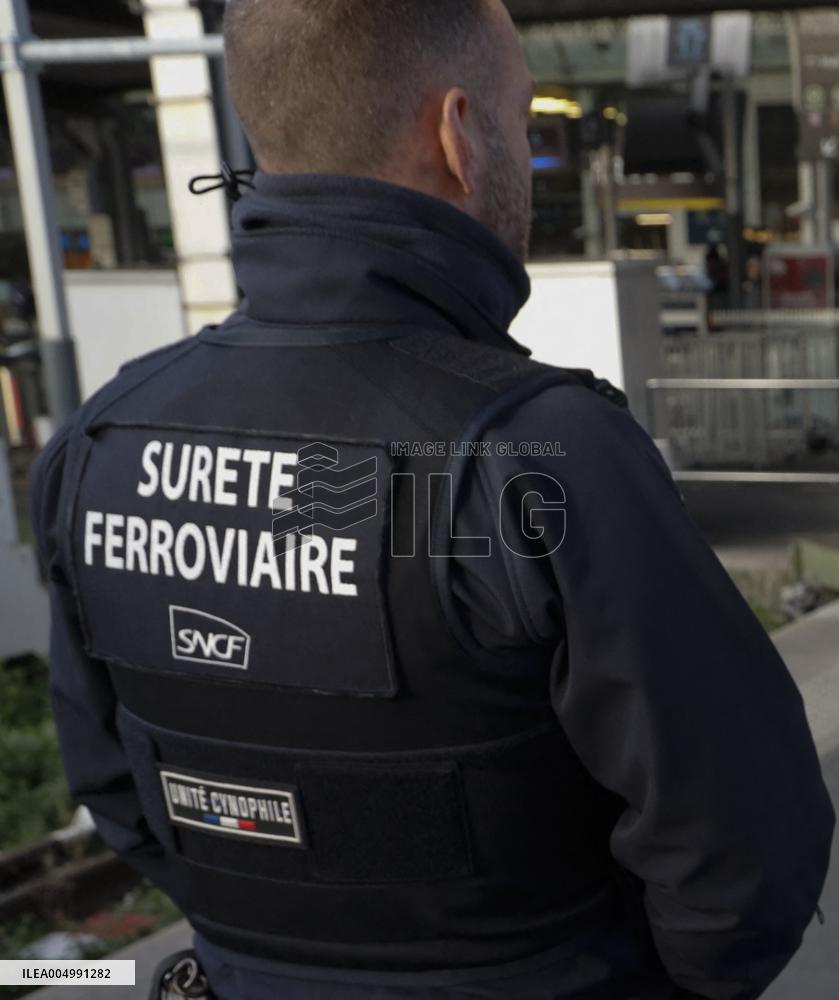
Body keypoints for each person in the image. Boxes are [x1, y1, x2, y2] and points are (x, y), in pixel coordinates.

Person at [30, 2, 833, 998]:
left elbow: (118, 791)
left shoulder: (97, 443)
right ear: (458, 133)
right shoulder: (547, 454)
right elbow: (743, 844)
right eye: (521, 125)